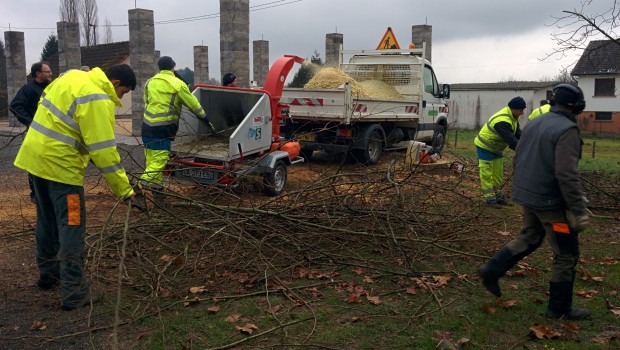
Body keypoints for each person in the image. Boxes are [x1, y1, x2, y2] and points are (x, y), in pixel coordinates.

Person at [13, 64, 138, 311]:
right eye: (123, 92)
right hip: (62, 170)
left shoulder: (72, 76)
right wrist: (125, 190)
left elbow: (59, 118)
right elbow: (103, 151)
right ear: (114, 83)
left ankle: (49, 275)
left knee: (47, 220)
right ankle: (74, 291)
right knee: (71, 226)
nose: (121, 98)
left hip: (36, 160)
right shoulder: (98, 98)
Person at [478, 83, 590, 320]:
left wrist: (522, 188)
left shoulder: (536, 122)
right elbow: (566, 175)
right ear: (577, 106)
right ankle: (559, 309)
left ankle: (491, 270)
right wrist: (578, 209)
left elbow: (519, 157)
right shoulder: (567, 130)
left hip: (528, 195)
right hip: (551, 205)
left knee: (530, 236)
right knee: (566, 252)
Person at [139, 56, 209, 188]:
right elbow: (193, 105)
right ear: (173, 67)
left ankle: (157, 192)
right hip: (163, 128)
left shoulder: (150, 82)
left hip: (146, 127)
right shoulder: (178, 84)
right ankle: (138, 188)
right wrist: (205, 119)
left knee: (152, 162)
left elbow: (146, 102)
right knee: (160, 161)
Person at [10, 62, 53, 203]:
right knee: (35, 165)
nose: (50, 73)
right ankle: (36, 194)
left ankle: (50, 192)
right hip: (36, 134)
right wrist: (30, 122)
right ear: (38, 74)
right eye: (47, 71)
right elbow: (15, 106)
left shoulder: (53, 88)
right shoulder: (28, 90)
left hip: (53, 134)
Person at [474, 96, 525, 208]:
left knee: (497, 173)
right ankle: (490, 199)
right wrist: (525, 152)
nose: (522, 113)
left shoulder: (514, 117)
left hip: (496, 148)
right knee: (487, 173)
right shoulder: (503, 120)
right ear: (514, 108)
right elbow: (511, 140)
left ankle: (499, 196)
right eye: (521, 110)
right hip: (485, 147)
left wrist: (527, 144)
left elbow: (517, 134)